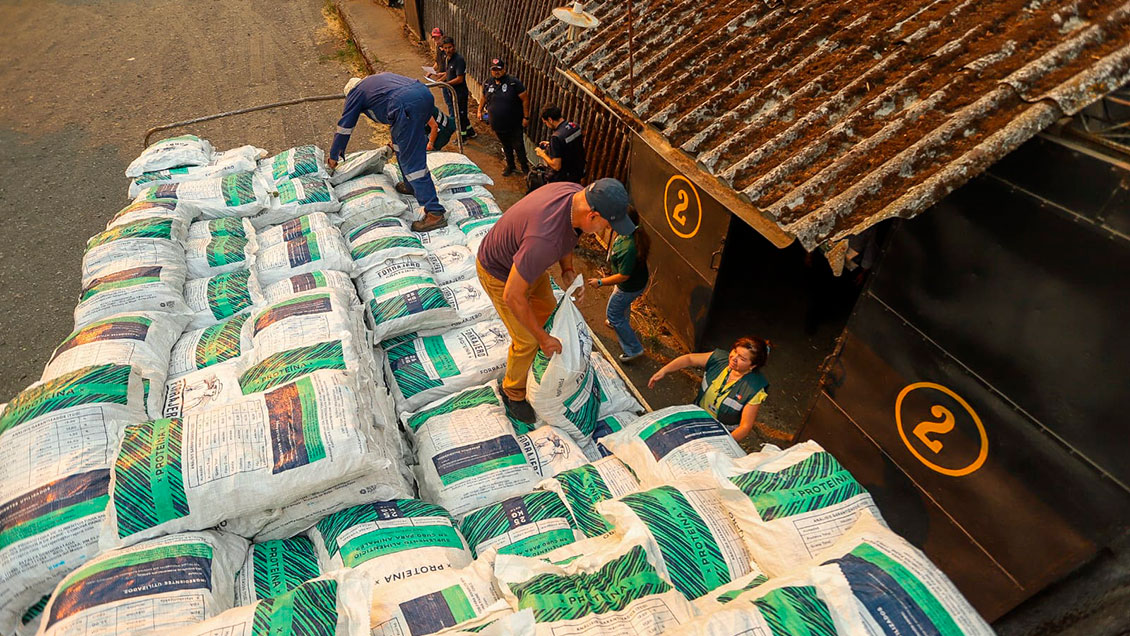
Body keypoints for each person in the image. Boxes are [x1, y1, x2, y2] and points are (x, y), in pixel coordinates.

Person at [476, 179, 635, 423]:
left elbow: (568, 235)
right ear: (593, 215)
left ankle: (539, 362)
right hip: (499, 273)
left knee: (553, 320)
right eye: (607, 225)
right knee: (528, 339)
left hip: (529, 265)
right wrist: (542, 338)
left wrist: (567, 269)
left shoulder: (575, 196)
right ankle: (513, 392)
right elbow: (512, 295)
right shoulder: (543, 240)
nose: (606, 230)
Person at [331, 74, 447, 232]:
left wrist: (334, 155)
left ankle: (435, 212)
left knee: (412, 163)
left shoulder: (356, 93)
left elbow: (345, 127)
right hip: (423, 95)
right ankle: (411, 186)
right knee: (402, 147)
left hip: (406, 106)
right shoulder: (373, 83)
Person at [648, 337, 771, 442]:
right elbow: (689, 359)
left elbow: (745, 427)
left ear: (753, 366)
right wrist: (664, 371)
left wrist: (723, 442)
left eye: (742, 359)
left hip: (721, 432)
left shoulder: (754, 389)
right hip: (697, 416)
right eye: (735, 351)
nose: (734, 358)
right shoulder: (718, 359)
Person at [587, 206, 649, 363]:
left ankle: (633, 349)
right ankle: (622, 322)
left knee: (613, 313)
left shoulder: (629, 248)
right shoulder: (628, 235)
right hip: (633, 284)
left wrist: (600, 282)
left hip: (627, 287)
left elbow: (623, 276)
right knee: (622, 306)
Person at [479, 57, 530, 176]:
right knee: (506, 146)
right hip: (497, 123)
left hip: (514, 123)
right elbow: (483, 98)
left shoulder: (513, 83)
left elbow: (525, 99)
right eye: (494, 69)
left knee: (519, 146)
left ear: (504, 69)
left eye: (499, 69)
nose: (496, 72)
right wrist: (479, 110)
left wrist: (526, 117)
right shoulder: (488, 83)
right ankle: (510, 166)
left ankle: (525, 169)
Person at [535, 106, 585, 183]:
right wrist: (551, 145)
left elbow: (556, 166)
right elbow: (570, 145)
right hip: (577, 171)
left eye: (545, 123)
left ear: (550, 120)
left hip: (564, 178)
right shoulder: (574, 126)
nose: (546, 125)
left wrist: (542, 154)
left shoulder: (556, 137)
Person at [438, 36, 475, 139]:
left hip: (460, 93)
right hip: (452, 91)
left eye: (449, 47)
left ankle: (462, 138)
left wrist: (446, 84)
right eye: (445, 48)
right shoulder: (447, 58)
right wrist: (440, 80)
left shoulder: (459, 60)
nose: (448, 50)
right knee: (459, 113)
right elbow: (448, 72)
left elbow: (459, 79)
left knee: (459, 115)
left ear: (454, 46)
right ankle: (471, 132)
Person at [428, 27, 454, 120]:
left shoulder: (447, 52)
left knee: (452, 102)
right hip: (442, 79)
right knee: (448, 101)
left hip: (449, 79)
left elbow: (451, 69)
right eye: (434, 38)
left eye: (437, 38)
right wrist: (429, 72)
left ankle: (454, 120)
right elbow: (437, 62)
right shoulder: (439, 49)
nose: (436, 40)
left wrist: (441, 78)